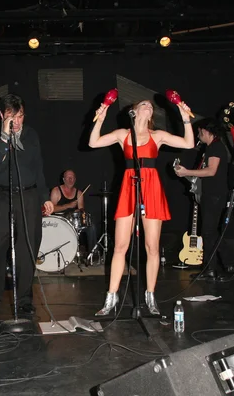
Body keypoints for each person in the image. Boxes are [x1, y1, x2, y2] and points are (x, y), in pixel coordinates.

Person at [89, 99, 194, 316]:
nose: (148, 106)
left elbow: (189, 144)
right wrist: (99, 120)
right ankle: (111, 297)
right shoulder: (122, 134)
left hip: (152, 189)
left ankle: (150, 295)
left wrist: (185, 119)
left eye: (151, 106)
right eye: (144, 104)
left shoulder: (158, 135)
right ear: (133, 111)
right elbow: (93, 142)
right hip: (129, 187)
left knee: (152, 247)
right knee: (120, 247)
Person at [0, 94, 54, 315]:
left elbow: (38, 168)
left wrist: (45, 196)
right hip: (2, 196)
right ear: (2, 115)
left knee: (27, 247)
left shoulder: (31, 135)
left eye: (20, 115)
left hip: (29, 196)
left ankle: (23, 299)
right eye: (12, 116)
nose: (18, 121)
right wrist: (5, 137)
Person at [175, 118, 234, 281]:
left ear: (206, 131)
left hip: (214, 195)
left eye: (199, 132)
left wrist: (187, 172)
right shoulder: (212, 147)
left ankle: (215, 267)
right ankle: (224, 265)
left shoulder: (215, 147)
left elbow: (211, 171)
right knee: (210, 232)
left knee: (209, 232)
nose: (198, 136)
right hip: (211, 194)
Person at [50, 169, 97, 254]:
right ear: (63, 179)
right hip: (60, 222)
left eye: (72, 178)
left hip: (73, 221)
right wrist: (67, 206)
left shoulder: (79, 193)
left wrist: (79, 210)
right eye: (68, 178)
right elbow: (51, 209)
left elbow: (81, 209)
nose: (70, 180)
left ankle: (91, 255)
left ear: (75, 179)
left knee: (91, 226)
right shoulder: (56, 191)